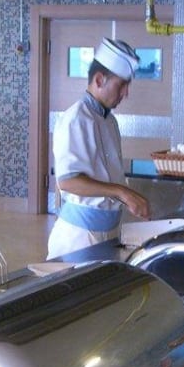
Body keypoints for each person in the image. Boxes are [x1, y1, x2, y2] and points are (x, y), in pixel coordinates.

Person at [47, 37, 150, 259]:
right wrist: (122, 192)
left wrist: (126, 198)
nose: (125, 93)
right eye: (121, 85)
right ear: (99, 79)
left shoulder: (110, 121)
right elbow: (68, 181)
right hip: (79, 237)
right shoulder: (75, 119)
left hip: (108, 232)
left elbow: (107, 176)